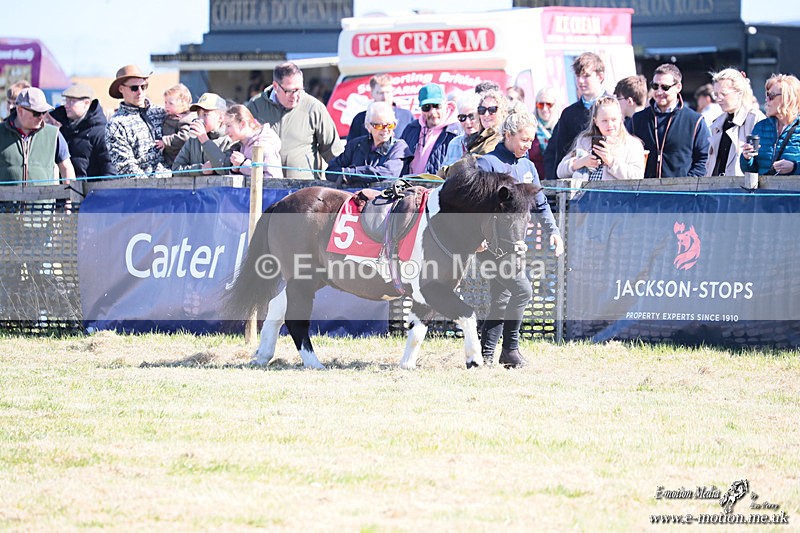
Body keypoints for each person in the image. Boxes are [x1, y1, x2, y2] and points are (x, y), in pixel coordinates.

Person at [476, 111, 564, 368]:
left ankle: (488, 355)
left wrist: (554, 232)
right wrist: (476, 237)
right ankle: (509, 350)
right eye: (524, 139)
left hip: (515, 245)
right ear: (508, 135)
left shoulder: (528, 167)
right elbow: (476, 206)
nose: (529, 145)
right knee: (522, 290)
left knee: (502, 296)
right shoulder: (488, 164)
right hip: (490, 245)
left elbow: (540, 202)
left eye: (531, 140)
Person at [245, 61, 342, 179]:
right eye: (290, 91)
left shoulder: (314, 108)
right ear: (276, 86)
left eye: (299, 90)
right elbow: (239, 139)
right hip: (264, 187)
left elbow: (333, 152)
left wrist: (341, 178)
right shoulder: (255, 106)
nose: (296, 96)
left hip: (304, 189)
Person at [630, 64, 710, 178]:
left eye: (665, 87)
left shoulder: (695, 120)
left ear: (678, 87)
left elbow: (704, 159)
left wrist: (687, 185)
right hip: (644, 192)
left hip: (681, 192)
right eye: (655, 86)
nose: (659, 91)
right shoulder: (637, 119)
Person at [543, 52, 609, 180]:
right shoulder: (569, 113)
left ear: (600, 76)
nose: (580, 81)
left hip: (610, 184)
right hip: (575, 185)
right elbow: (558, 152)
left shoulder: (615, 108)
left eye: (586, 76)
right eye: (578, 76)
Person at [556, 96, 644, 181]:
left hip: (614, 195)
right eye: (604, 121)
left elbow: (637, 176)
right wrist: (581, 162)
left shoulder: (632, 145)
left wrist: (611, 162)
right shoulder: (585, 141)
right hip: (584, 194)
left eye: (614, 120)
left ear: (621, 118)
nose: (609, 125)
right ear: (596, 121)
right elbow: (560, 171)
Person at [105, 64, 170, 177]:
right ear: (121, 89)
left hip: (177, 184)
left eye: (143, 87)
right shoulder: (115, 125)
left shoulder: (161, 112)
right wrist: (152, 187)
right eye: (134, 88)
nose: (140, 92)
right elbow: (125, 166)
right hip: (143, 190)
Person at [0, 87, 75, 185]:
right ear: (20, 110)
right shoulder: (1, 132)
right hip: (6, 199)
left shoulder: (53, 134)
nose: (41, 117)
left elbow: (66, 168)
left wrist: (69, 198)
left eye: (44, 112)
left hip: (44, 199)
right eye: (36, 113)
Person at [327, 101, 410, 186]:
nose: (385, 130)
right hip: (353, 196)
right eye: (379, 126)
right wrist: (347, 174)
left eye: (390, 125)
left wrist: (349, 173)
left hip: (384, 197)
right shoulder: (356, 145)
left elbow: (388, 173)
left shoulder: (399, 147)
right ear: (368, 127)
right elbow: (330, 171)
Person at [706, 68, 765, 176]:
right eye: (716, 94)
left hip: (741, 189)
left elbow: (762, 162)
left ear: (739, 93)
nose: (718, 99)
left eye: (723, 94)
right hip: (715, 188)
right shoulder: (717, 123)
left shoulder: (756, 119)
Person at [49, 83, 113, 180]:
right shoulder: (60, 126)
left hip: (91, 192)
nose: (66, 105)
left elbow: (109, 169)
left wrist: (102, 193)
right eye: (66, 101)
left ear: (86, 103)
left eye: (71, 101)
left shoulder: (101, 132)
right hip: (63, 192)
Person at [741, 74, 800, 176]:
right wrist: (747, 158)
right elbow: (750, 171)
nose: (766, 100)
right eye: (766, 95)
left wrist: (794, 167)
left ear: (788, 98)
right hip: (766, 191)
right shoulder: (760, 127)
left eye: (771, 96)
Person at [400, 83, 460, 175]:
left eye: (437, 106)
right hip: (409, 186)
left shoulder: (456, 131)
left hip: (439, 188)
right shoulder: (411, 128)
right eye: (426, 107)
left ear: (446, 104)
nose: (432, 112)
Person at [172, 93, 237, 177]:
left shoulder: (230, 139)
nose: (200, 119)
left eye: (205, 114)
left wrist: (205, 140)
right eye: (199, 114)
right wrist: (200, 169)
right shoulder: (194, 139)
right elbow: (176, 169)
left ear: (221, 118)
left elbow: (225, 169)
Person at [346, 74, 414, 142]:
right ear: (372, 94)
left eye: (387, 92)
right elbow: (351, 147)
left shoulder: (406, 116)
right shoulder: (360, 119)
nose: (384, 97)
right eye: (380, 93)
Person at [224, 104, 283, 179]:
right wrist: (235, 170)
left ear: (243, 124)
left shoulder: (264, 144)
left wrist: (243, 163)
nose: (226, 131)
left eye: (228, 125)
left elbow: (273, 179)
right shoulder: (241, 145)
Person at [156, 84, 196, 168]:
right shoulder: (170, 115)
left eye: (171, 103)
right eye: (165, 102)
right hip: (169, 156)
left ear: (183, 103)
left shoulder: (186, 119)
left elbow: (184, 137)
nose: (166, 106)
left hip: (180, 158)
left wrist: (165, 141)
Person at [529, 87, 562, 178]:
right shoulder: (529, 128)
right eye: (540, 104)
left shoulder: (562, 127)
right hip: (535, 182)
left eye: (549, 104)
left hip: (559, 182)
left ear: (556, 105)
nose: (544, 109)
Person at [443, 91, 482, 165]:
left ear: (480, 116)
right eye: (462, 117)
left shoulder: (489, 143)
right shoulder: (454, 144)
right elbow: (443, 173)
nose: (467, 122)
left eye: (472, 116)